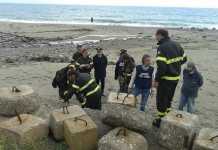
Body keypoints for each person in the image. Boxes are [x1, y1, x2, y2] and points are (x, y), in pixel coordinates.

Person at [153, 29, 187, 128]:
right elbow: (184, 59)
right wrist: (174, 66)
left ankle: (160, 121)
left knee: (161, 101)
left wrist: (156, 80)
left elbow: (162, 67)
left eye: (156, 35)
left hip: (165, 80)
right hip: (175, 78)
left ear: (160, 35)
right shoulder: (177, 45)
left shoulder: (162, 47)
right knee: (168, 100)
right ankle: (167, 117)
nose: (155, 37)